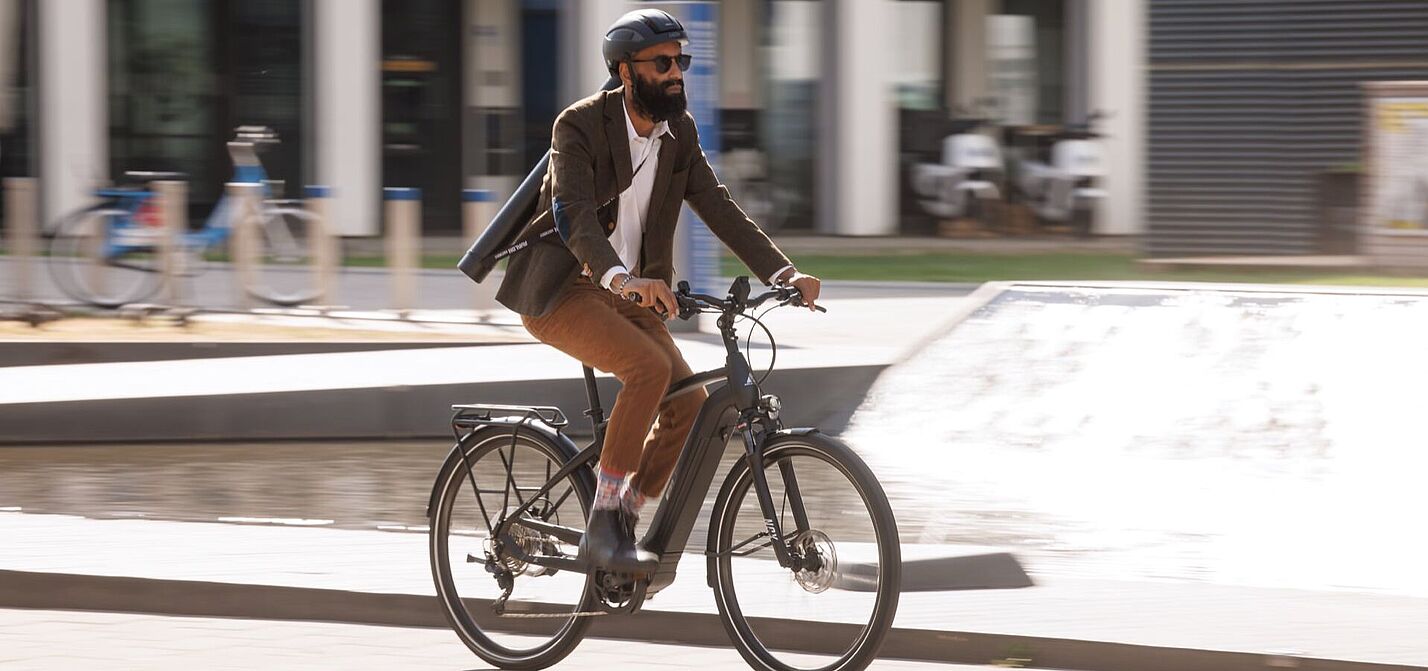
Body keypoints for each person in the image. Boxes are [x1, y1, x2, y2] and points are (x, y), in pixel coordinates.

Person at [495, 8, 821, 575]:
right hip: (564, 289)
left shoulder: (680, 132)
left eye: (682, 61)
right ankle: (603, 522)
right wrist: (620, 276)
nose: (677, 73)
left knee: (688, 405)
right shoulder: (579, 125)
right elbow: (572, 215)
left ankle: (624, 510)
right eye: (663, 62)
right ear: (625, 71)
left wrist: (783, 274)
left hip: (634, 293)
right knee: (647, 369)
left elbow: (718, 206)